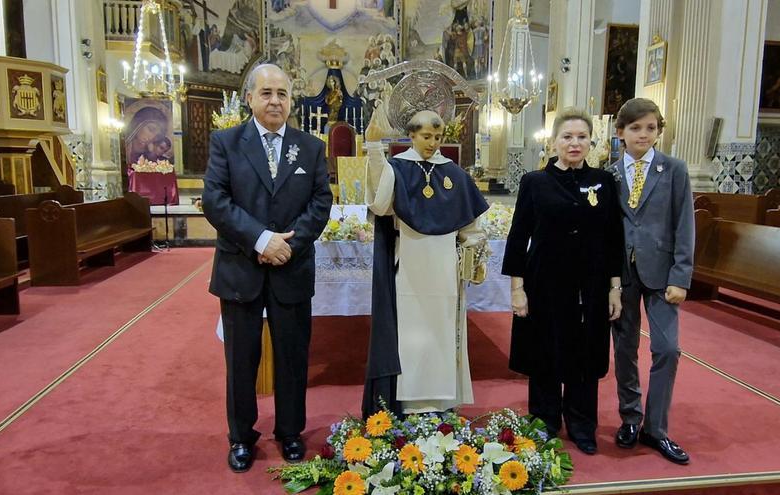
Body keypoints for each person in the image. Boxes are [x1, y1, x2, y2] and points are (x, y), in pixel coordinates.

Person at [202, 63, 332, 472]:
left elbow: (321, 201)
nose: (275, 100)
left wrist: (287, 246)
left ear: (291, 100)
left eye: (282, 93)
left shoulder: (309, 147)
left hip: (291, 267)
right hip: (241, 266)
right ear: (249, 98)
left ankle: (290, 431)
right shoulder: (226, 142)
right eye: (266, 93)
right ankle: (241, 436)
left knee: (293, 357)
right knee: (242, 360)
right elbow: (215, 201)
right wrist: (261, 240)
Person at [502, 107, 624, 455]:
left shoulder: (603, 181)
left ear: (591, 141)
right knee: (545, 351)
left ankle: (583, 424)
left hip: (592, 283)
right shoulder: (534, 182)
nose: (574, 143)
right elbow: (518, 236)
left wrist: (615, 287)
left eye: (581, 137)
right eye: (567, 137)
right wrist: (517, 288)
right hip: (545, 281)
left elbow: (614, 236)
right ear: (553, 141)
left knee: (584, 354)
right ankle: (545, 421)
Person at [362, 110, 489, 418]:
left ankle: (442, 403)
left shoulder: (455, 174)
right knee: (411, 338)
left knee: (441, 335)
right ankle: (408, 403)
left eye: (437, 137)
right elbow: (379, 205)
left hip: (445, 271)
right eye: (426, 136)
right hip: (409, 269)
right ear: (412, 135)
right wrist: (376, 152)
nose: (432, 143)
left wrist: (475, 254)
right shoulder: (397, 169)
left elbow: (470, 227)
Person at [610, 98, 694, 465]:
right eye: (635, 128)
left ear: (659, 130)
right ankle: (631, 417)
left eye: (650, 128)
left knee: (667, 349)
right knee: (625, 349)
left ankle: (656, 428)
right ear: (621, 134)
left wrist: (682, 276)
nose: (643, 135)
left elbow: (684, 225)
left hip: (663, 276)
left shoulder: (673, 170)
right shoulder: (609, 175)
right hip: (622, 276)